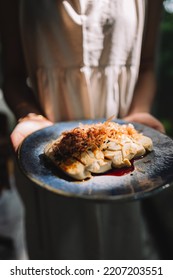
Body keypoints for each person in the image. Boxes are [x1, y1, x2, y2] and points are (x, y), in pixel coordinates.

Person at [0, 0, 165, 259]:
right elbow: (12, 74)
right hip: (45, 168)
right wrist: (29, 115)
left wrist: (139, 112)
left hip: (125, 182)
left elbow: (145, 65)